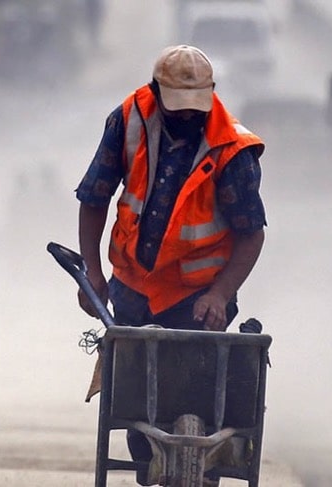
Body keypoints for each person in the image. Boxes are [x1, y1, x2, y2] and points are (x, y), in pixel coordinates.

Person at [74, 44, 266, 486]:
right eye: (176, 108)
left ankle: (204, 470)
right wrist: (94, 277)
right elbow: (94, 199)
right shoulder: (129, 121)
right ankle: (149, 470)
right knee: (139, 412)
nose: (186, 116)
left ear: (211, 94)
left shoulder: (231, 148)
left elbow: (251, 233)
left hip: (197, 299)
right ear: (155, 92)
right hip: (134, 291)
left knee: (200, 406)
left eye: (195, 107)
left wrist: (220, 294)